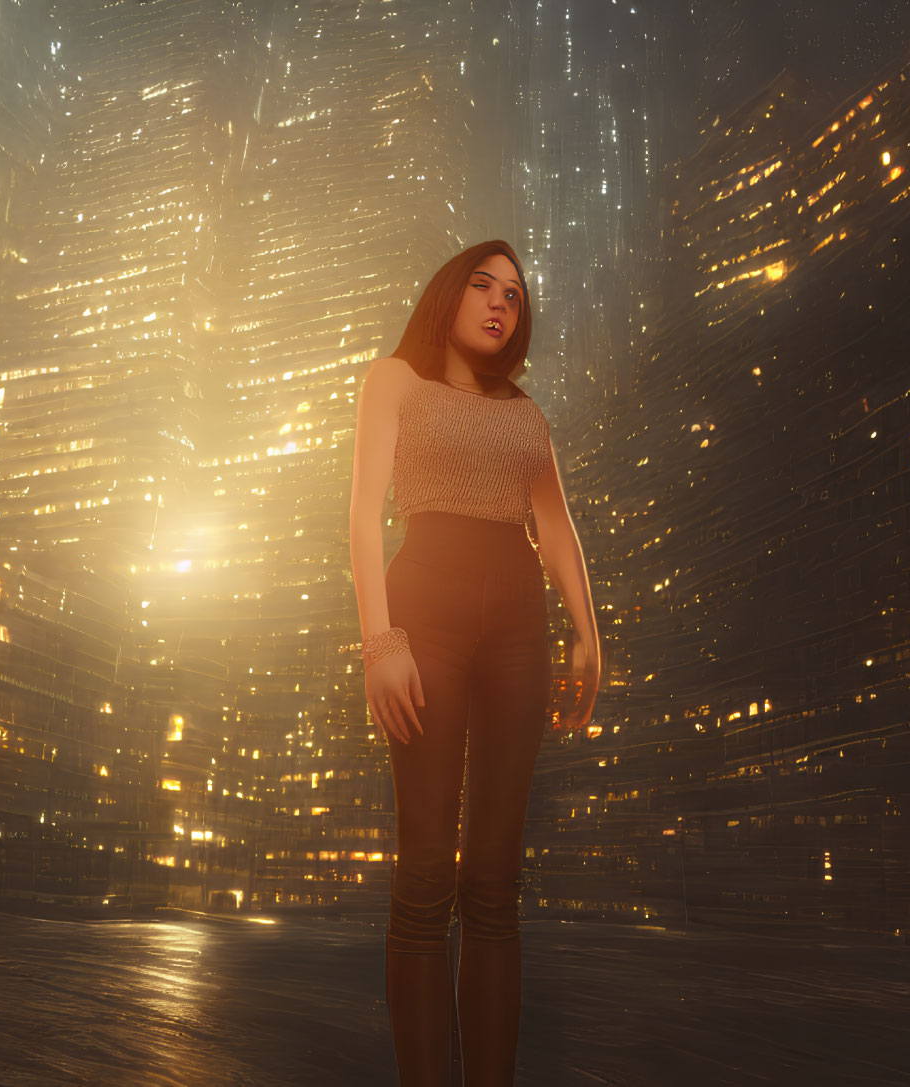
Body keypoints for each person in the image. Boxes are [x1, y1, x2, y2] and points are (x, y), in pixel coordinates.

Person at [347, 240, 601, 1086]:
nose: (501, 303)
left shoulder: (527, 416)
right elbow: (362, 509)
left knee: (494, 883)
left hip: (518, 624)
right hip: (425, 609)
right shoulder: (395, 380)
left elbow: (555, 526)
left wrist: (588, 632)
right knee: (425, 874)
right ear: (450, 293)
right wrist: (381, 642)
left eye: (516, 296)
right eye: (485, 286)